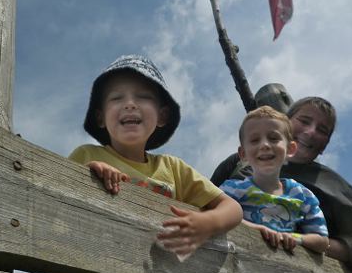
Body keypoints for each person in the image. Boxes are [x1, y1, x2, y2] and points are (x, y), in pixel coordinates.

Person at [70, 54, 243, 257]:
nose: (130, 104)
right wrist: (87, 175)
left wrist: (208, 222)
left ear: (162, 116)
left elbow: (233, 208)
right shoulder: (86, 154)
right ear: (101, 117)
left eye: (143, 97)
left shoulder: (173, 168)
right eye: (117, 98)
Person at [211, 88, 352, 272]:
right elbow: (202, 202)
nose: (310, 132)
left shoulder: (331, 185)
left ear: (325, 145)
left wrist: (304, 242)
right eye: (304, 121)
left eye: (322, 130)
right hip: (226, 264)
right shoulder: (236, 164)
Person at [221, 106, 329, 254]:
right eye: (254, 140)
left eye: (273, 138)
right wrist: (256, 229)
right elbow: (216, 214)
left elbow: (322, 240)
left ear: (290, 149)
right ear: (243, 154)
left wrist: (294, 238)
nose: (265, 145)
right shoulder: (232, 189)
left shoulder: (302, 195)